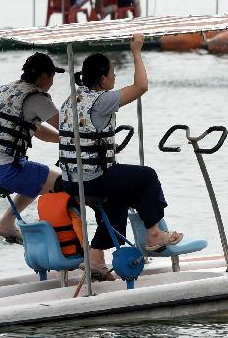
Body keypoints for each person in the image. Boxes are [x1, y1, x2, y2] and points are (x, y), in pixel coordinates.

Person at [59, 35, 182, 281]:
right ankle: (154, 235)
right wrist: (136, 51)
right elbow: (141, 87)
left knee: (118, 199)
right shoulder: (102, 100)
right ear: (102, 78)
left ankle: (95, 259)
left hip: (71, 180)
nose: (115, 78)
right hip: (94, 178)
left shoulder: (72, 99)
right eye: (113, 73)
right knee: (147, 176)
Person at [0, 53, 64, 244]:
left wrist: (65, 141)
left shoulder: (5, 91)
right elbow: (69, 129)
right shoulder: (36, 98)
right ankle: (60, 242)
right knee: (65, 184)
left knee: (38, 176)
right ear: (45, 76)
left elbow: (40, 132)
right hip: (5, 170)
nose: (52, 82)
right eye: (53, 77)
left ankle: (6, 223)